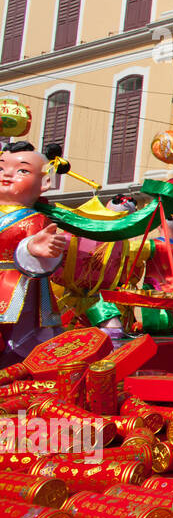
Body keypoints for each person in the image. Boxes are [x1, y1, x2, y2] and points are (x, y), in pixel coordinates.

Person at [0, 142, 70, 366]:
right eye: (1, 168)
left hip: (19, 286)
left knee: (19, 340)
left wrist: (33, 248)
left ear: (45, 182)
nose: (8, 175)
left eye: (22, 170)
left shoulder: (35, 219)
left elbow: (41, 248)